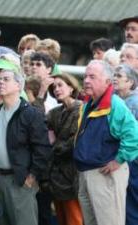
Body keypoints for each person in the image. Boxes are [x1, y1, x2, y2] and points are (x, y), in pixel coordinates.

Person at [0, 58, 51, 225]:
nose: (0, 83)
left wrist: (32, 176)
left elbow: (42, 148)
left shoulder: (31, 114)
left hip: (20, 180)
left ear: (18, 85)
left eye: (6, 79)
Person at [74, 60, 138, 225]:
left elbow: (134, 136)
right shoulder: (90, 103)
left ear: (107, 82)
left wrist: (119, 160)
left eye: (92, 77)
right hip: (87, 174)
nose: (86, 80)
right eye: (86, 76)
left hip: (105, 175)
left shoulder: (115, 105)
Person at [47, 73, 83, 225]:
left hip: (73, 174)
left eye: (60, 85)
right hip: (56, 175)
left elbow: (75, 141)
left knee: (74, 218)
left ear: (71, 87)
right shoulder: (54, 113)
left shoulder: (81, 109)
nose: (56, 89)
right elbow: (46, 138)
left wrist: (54, 146)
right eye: (54, 87)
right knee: (61, 218)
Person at [112, 64, 138, 225]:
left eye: (119, 76)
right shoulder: (118, 101)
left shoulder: (133, 103)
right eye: (114, 75)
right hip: (125, 160)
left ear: (130, 82)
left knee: (131, 205)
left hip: (131, 161)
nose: (114, 78)